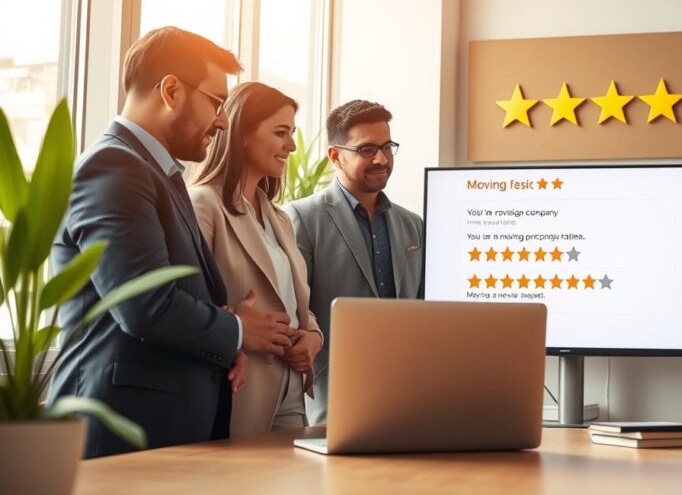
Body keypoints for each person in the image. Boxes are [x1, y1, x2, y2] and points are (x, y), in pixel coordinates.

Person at [47, 27, 297, 458]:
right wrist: (238, 331)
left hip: (158, 431)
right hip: (122, 432)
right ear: (171, 91)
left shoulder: (156, 172)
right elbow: (145, 305)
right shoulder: (115, 167)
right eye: (216, 102)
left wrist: (222, 344)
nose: (223, 120)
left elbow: (167, 291)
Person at [189, 82, 324, 437]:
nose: (292, 145)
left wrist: (312, 337)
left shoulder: (279, 218)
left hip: (290, 386)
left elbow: (293, 300)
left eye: (292, 133)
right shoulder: (204, 205)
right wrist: (236, 325)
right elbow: (187, 301)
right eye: (281, 133)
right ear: (243, 134)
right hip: (241, 387)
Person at [285, 99, 424, 425]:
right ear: (335, 156)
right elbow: (296, 310)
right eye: (367, 149)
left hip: (406, 394)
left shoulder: (413, 224)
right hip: (333, 398)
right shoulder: (302, 218)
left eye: (387, 147)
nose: (381, 159)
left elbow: (422, 310)